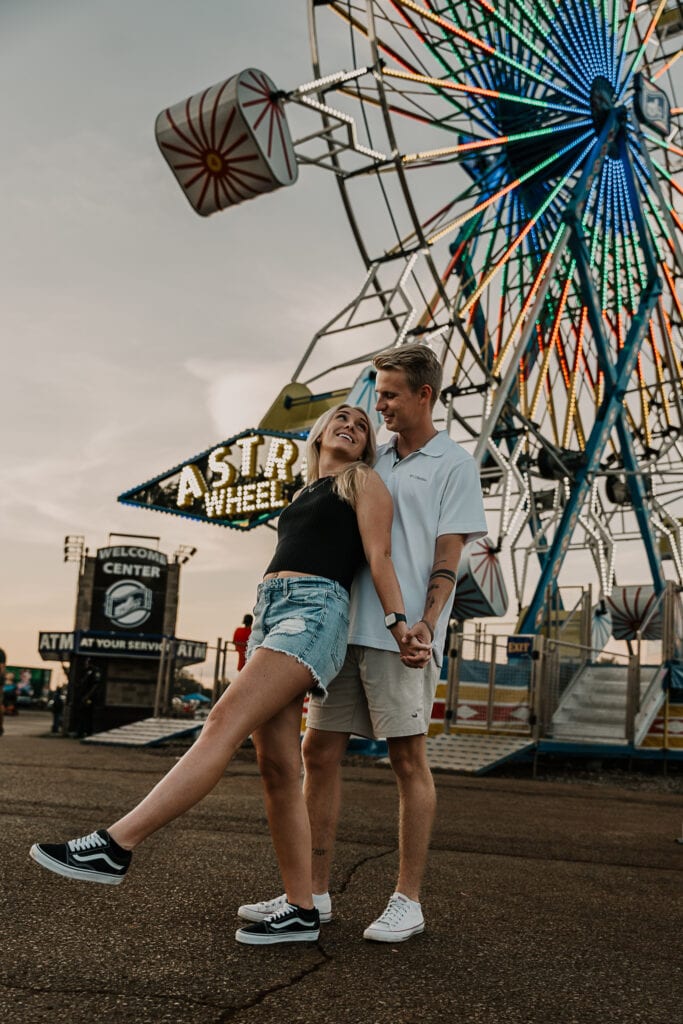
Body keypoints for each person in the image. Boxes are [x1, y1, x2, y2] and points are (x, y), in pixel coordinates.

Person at [30, 404, 421, 947]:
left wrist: (400, 625)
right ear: (319, 432)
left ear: (367, 447)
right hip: (271, 611)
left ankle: (116, 845)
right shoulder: (306, 492)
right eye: (342, 418)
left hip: (312, 613)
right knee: (278, 768)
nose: (352, 425)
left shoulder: (364, 481)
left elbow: (378, 556)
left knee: (221, 722)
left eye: (362, 424)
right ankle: (301, 908)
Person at [240, 343, 487, 942]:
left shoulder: (452, 463)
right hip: (338, 627)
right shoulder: (369, 464)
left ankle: (408, 898)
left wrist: (426, 621)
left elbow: (448, 559)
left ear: (423, 395)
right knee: (318, 752)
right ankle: (314, 892)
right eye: (377, 394)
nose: (378, 405)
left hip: (400, 636)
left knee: (407, 759)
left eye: (390, 395)